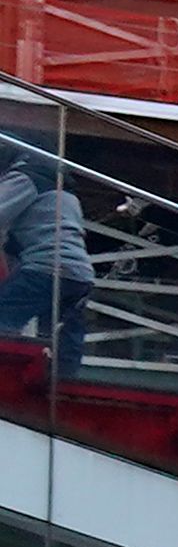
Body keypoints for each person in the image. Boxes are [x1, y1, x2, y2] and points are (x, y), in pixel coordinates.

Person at [0, 149, 94, 379]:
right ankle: (62, 387)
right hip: (80, 274)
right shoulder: (65, 192)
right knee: (63, 338)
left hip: (46, 268)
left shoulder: (26, 177)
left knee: (3, 319)